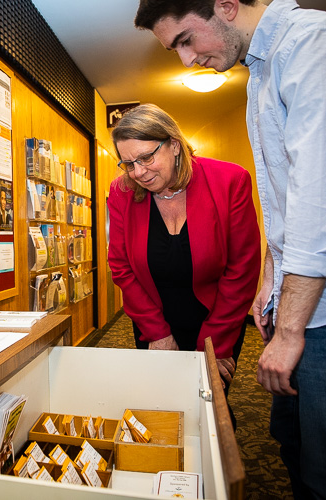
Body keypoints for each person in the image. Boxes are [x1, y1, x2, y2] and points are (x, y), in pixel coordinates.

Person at [135, 1, 326, 497]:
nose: (186, 61)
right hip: (308, 298)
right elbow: (287, 202)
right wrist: (271, 282)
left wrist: (290, 328)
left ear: (226, 6)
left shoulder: (316, 43)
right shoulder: (263, 67)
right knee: (295, 443)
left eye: (187, 40)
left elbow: (322, 200)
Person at [107, 103, 260, 395]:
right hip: (153, 320)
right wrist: (157, 333)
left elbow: (242, 270)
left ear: (174, 145)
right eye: (128, 163)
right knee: (161, 401)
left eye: (146, 157)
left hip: (218, 321)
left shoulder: (229, 181)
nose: (138, 172)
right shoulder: (122, 191)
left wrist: (214, 342)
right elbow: (121, 267)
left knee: (209, 403)